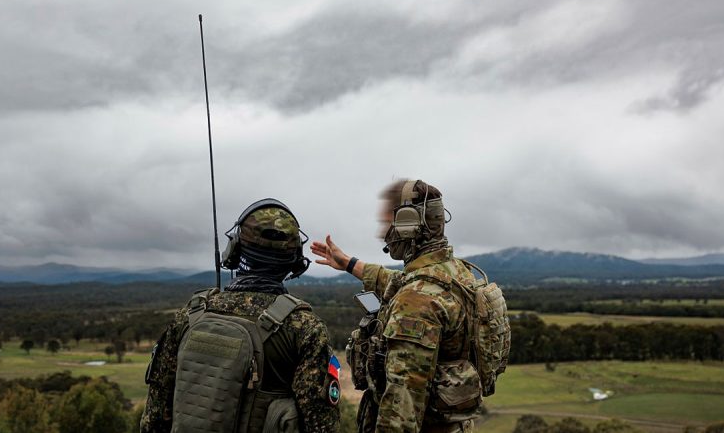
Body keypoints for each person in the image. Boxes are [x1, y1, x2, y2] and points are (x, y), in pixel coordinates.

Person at [311, 179, 510, 433]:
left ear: (409, 223)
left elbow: (401, 412)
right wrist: (349, 263)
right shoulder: (455, 273)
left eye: (388, 223)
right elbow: (397, 281)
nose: (384, 233)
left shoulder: (416, 301)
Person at [141, 198, 340, 433]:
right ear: (295, 260)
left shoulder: (190, 314)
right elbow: (321, 425)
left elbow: (154, 416)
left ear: (235, 249)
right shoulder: (305, 327)